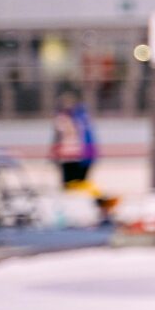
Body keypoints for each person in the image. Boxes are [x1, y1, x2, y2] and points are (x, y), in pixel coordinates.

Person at [50, 89, 118, 221]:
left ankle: (102, 201)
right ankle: (102, 202)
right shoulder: (82, 116)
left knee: (72, 185)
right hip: (84, 155)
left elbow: (64, 136)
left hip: (73, 157)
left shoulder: (67, 118)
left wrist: (56, 153)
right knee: (80, 185)